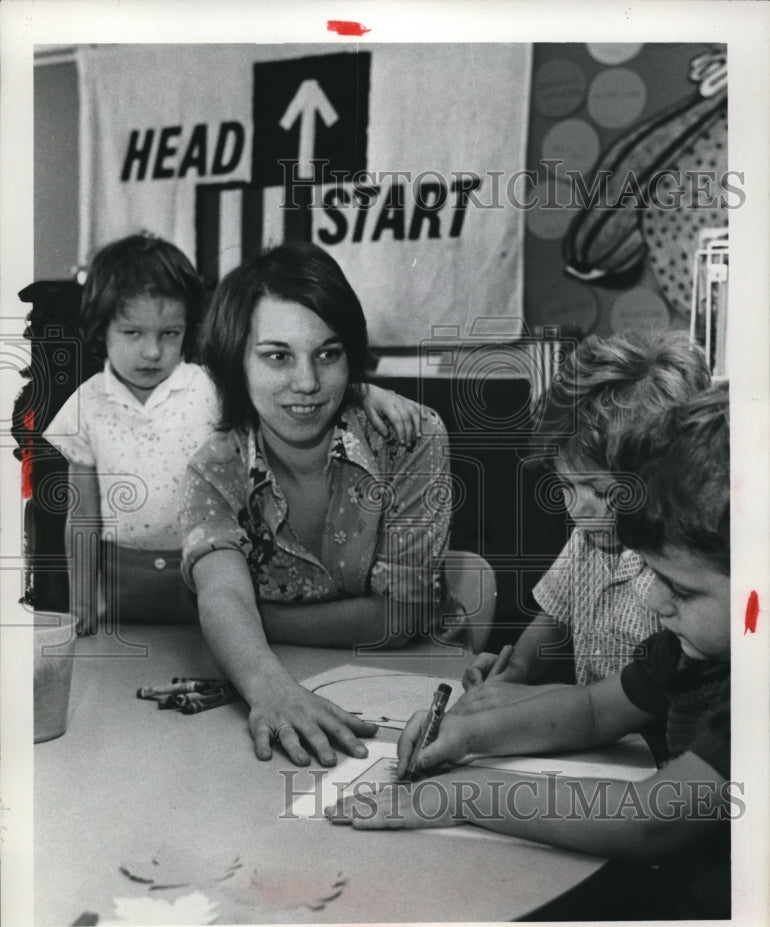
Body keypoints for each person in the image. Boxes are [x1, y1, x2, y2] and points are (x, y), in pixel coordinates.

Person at [331, 382, 732, 920]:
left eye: (680, 588)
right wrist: (467, 734)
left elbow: (649, 819)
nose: (653, 597)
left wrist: (460, 794)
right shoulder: (689, 646)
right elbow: (592, 710)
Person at [43, 233, 424, 633]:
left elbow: (290, 397)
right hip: (122, 584)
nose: (153, 351)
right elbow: (82, 517)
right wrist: (82, 604)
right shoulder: (85, 405)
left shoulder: (209, 386)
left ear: (188, 328)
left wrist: (364, 392)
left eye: (169, 333)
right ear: (101, 328)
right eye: (133, 333)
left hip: (215, 574)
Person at [180, 241, 456, 769]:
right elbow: (220, 593)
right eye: (277, 356)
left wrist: (250, 620)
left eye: (327, 354)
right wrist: (269, 689)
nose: (306, 383)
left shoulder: (410, 436)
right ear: (235, 362)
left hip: (404, 702)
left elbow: (407, 615)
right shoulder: (214, 469)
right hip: (283, 688)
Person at [464, 328, 711, 689]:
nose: (576, 509)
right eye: (565, 485)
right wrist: (516, 668)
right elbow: (554, 617)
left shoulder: (678, 574)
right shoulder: (589, 537)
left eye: (599, 489)